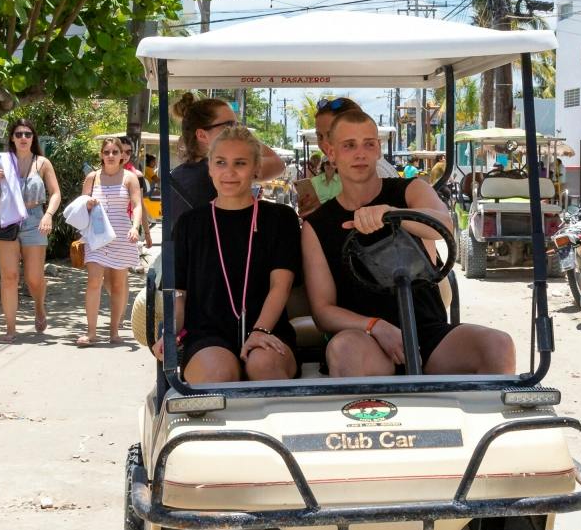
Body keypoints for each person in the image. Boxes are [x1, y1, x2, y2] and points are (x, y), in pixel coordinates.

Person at [300, 107, 515, 377]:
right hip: (366, 339)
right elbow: (323, 311)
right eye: (349, 145)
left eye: (368, 144)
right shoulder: (317, 225)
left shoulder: (411, 190)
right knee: (344, 349)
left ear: (378, 149)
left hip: (427, 332)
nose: (360, 153)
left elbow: (443, 225)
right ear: (331, 153)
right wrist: (375, 326)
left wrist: (391, 215)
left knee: (498, 345)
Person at [166, 125, 300, 383]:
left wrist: (260, 330)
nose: (229, 172)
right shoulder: (190, 223)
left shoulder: (280, 218)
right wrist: (170, 333)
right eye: (220, 162)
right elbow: (179, 293)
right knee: (216, 373)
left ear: (256, 169)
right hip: (207, 333)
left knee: (264, 365)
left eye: (240, 163)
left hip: (269, 328)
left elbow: (280, 285)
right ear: (210, 168)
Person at [0, 119, 60, 339]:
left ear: (33, 138)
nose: (23, 138)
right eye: (18, 134)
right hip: (7, 220)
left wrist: (48, 215)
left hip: (35, 220)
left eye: (27, 134)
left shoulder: (42, 163)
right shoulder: (1, 163)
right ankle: (10, 328)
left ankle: (39, 307)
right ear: (12, 139)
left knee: (34, 278)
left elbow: (55, 193)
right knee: (10, 276)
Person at [164, 94, 286, 229]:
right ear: (202, 135)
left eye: (237, 127)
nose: (236, 130)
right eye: (229, 126)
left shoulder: (176, 175)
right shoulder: (224, 171)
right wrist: (244, 138)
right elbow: (278, 164)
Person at [79, 135, 147, 348]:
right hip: (97, 237)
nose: (110, 155)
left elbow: (137, 205)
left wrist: (136, 228)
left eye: (114, 152)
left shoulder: (130, 178)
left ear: (121, 156)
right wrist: (88, 205)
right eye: (106, 152)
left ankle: (114, 331)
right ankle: (91, 333)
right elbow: (81, 206)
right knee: (93, 281)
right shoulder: (92, 177)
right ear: (101, 155)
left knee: (118, 286)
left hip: (121, 235)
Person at [296, 96, 397, 217]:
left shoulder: (373, 168)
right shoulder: (331, 161)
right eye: (320, 136)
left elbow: (374, 222)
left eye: (330, 134)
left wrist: (321, 214)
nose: (323, 143)